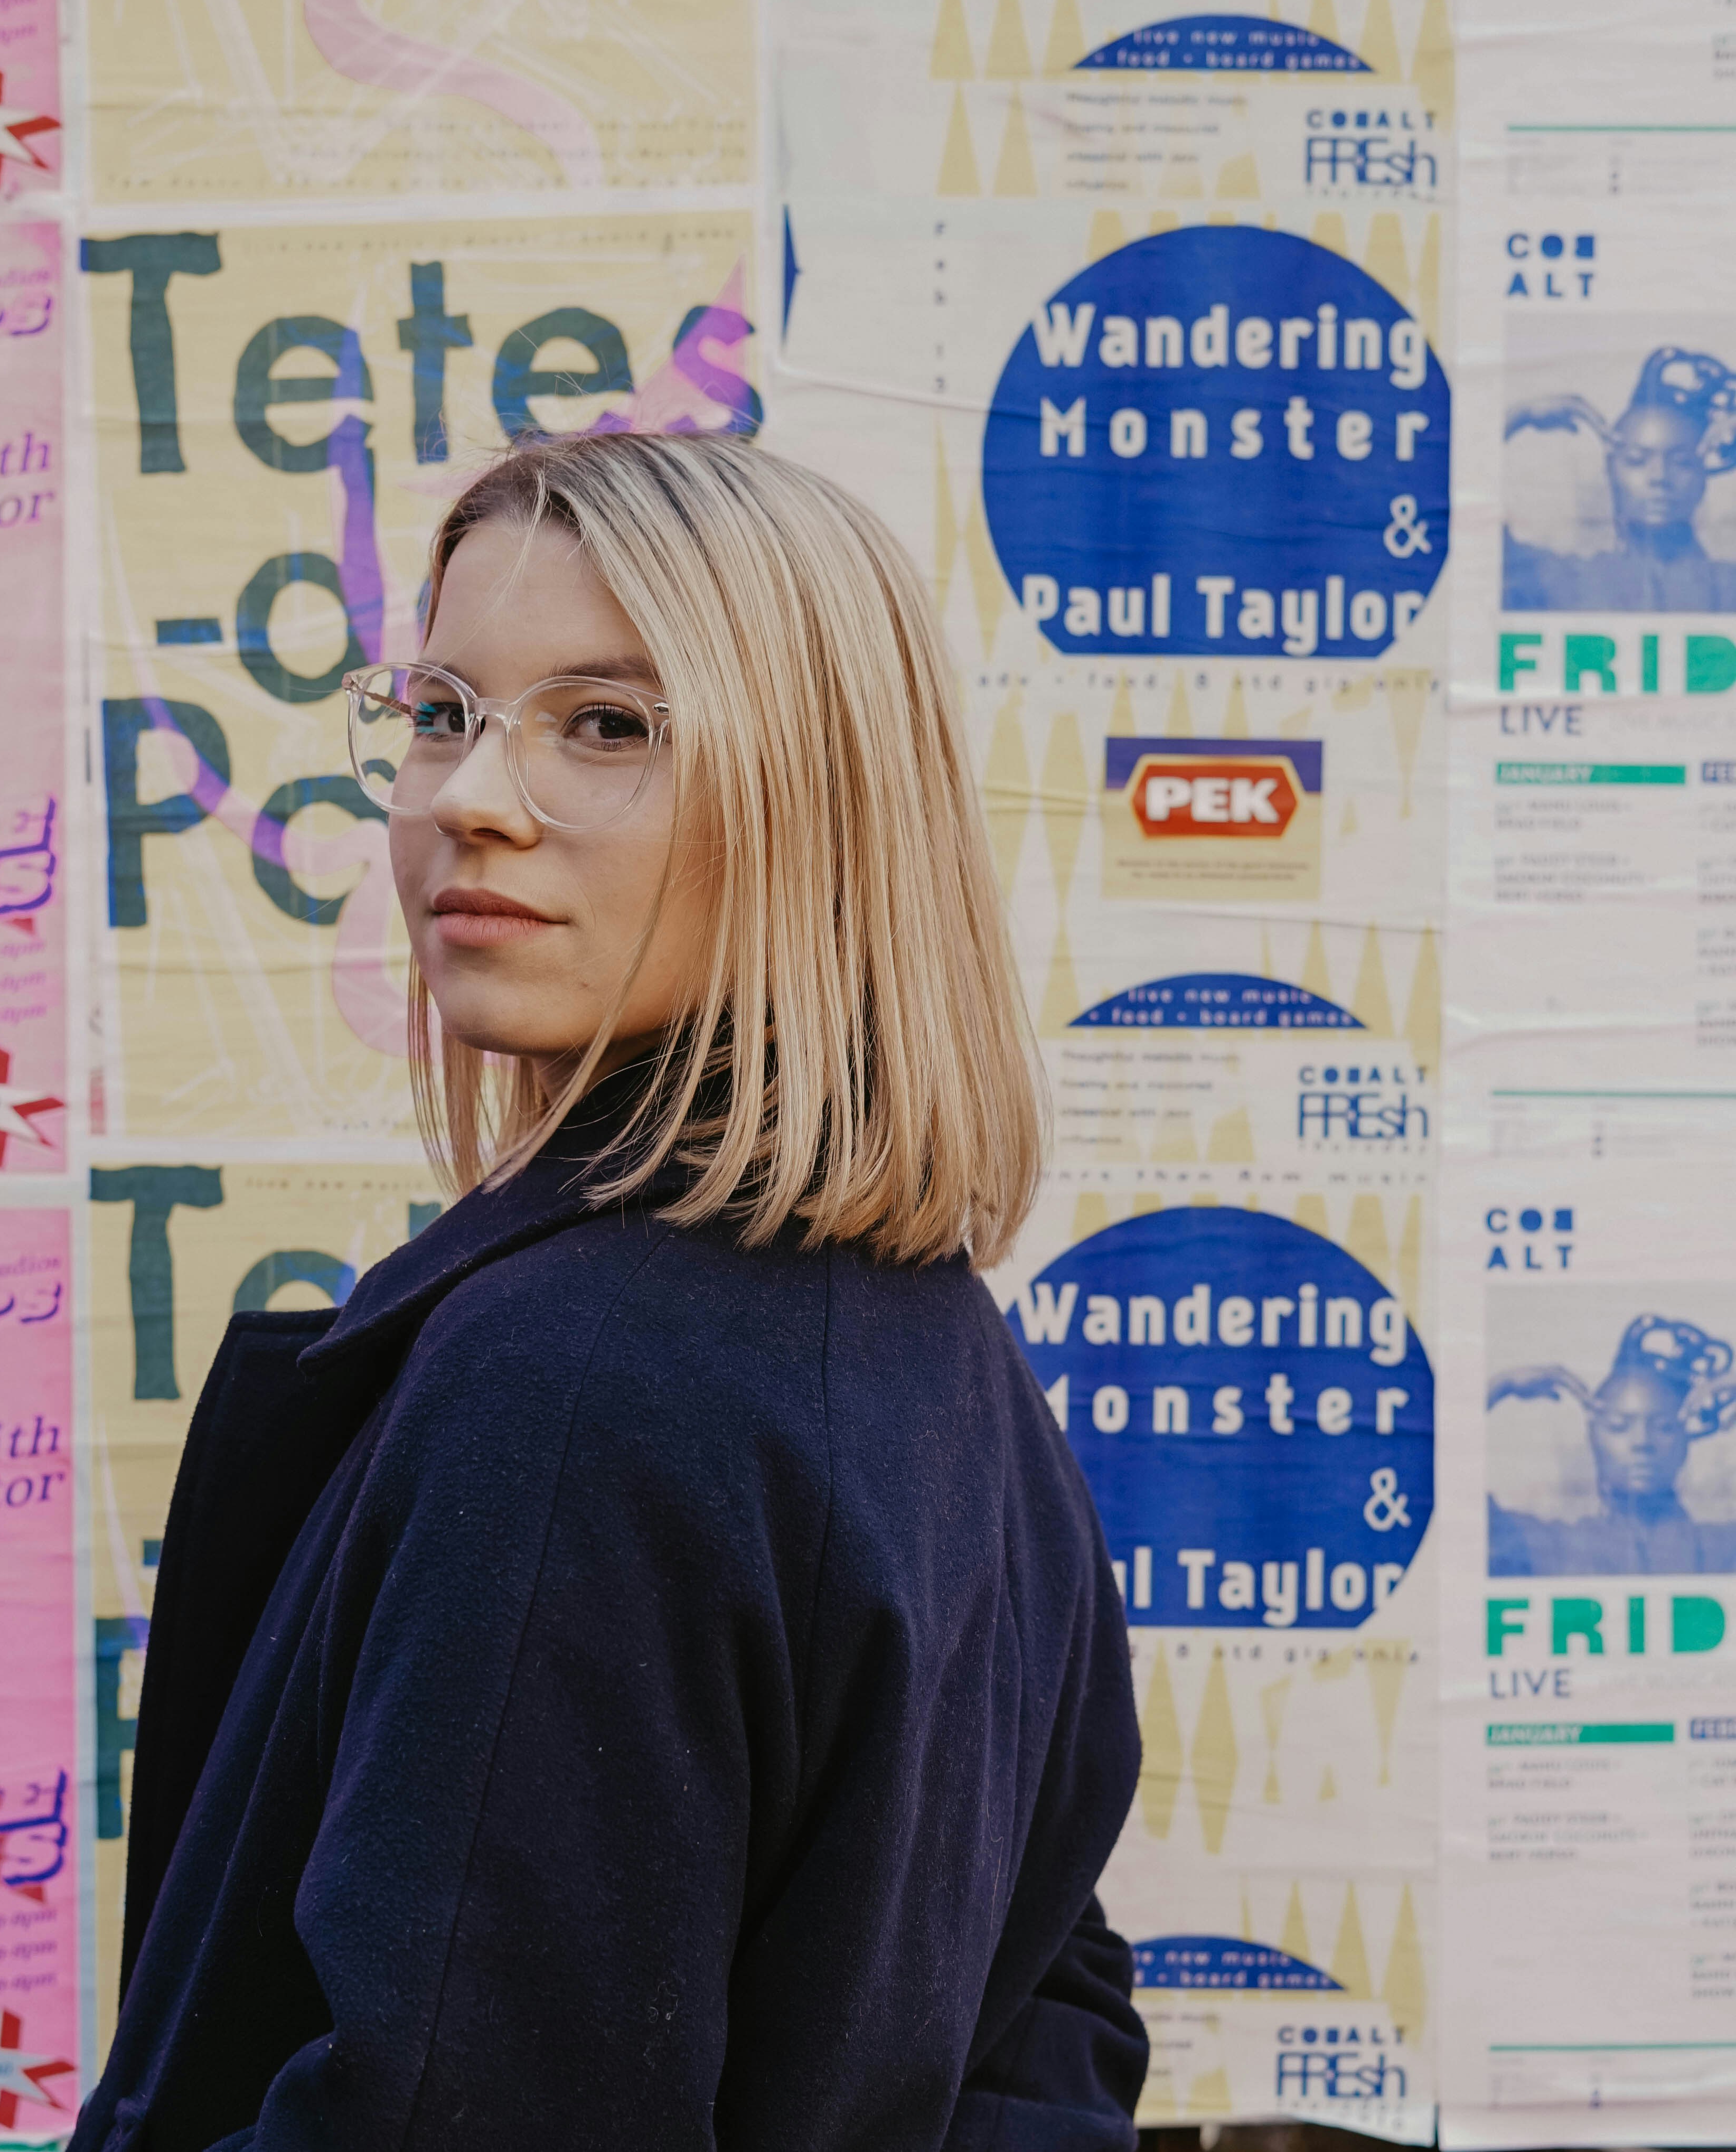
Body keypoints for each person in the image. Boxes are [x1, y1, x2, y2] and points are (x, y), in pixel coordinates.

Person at [71, 432, 1148, 2152]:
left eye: (610, 723)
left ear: (819, 801)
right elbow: (1052, 2020)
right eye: (441, 709)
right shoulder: (934, 1338)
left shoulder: (577, 1383)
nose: (464, 796)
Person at [1487, 1313, 1736, 1575]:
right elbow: (1459, 1516)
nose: (1642, 1442)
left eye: (1664, 1427)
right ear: (1593, 1439)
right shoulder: (1551, 1547)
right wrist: (1500, 1386)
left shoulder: (1723, 1548)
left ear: (1685, 1442)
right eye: (1619, 1426)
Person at [1503, 345, 1736, 611]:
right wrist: (1519, 416)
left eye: (1681, 462)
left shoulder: (1729, 586)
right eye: (1637, 460)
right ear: (1610, 472)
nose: (1659, 477)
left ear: (1702, 477)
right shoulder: (1564, 581)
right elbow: (1475, 544)